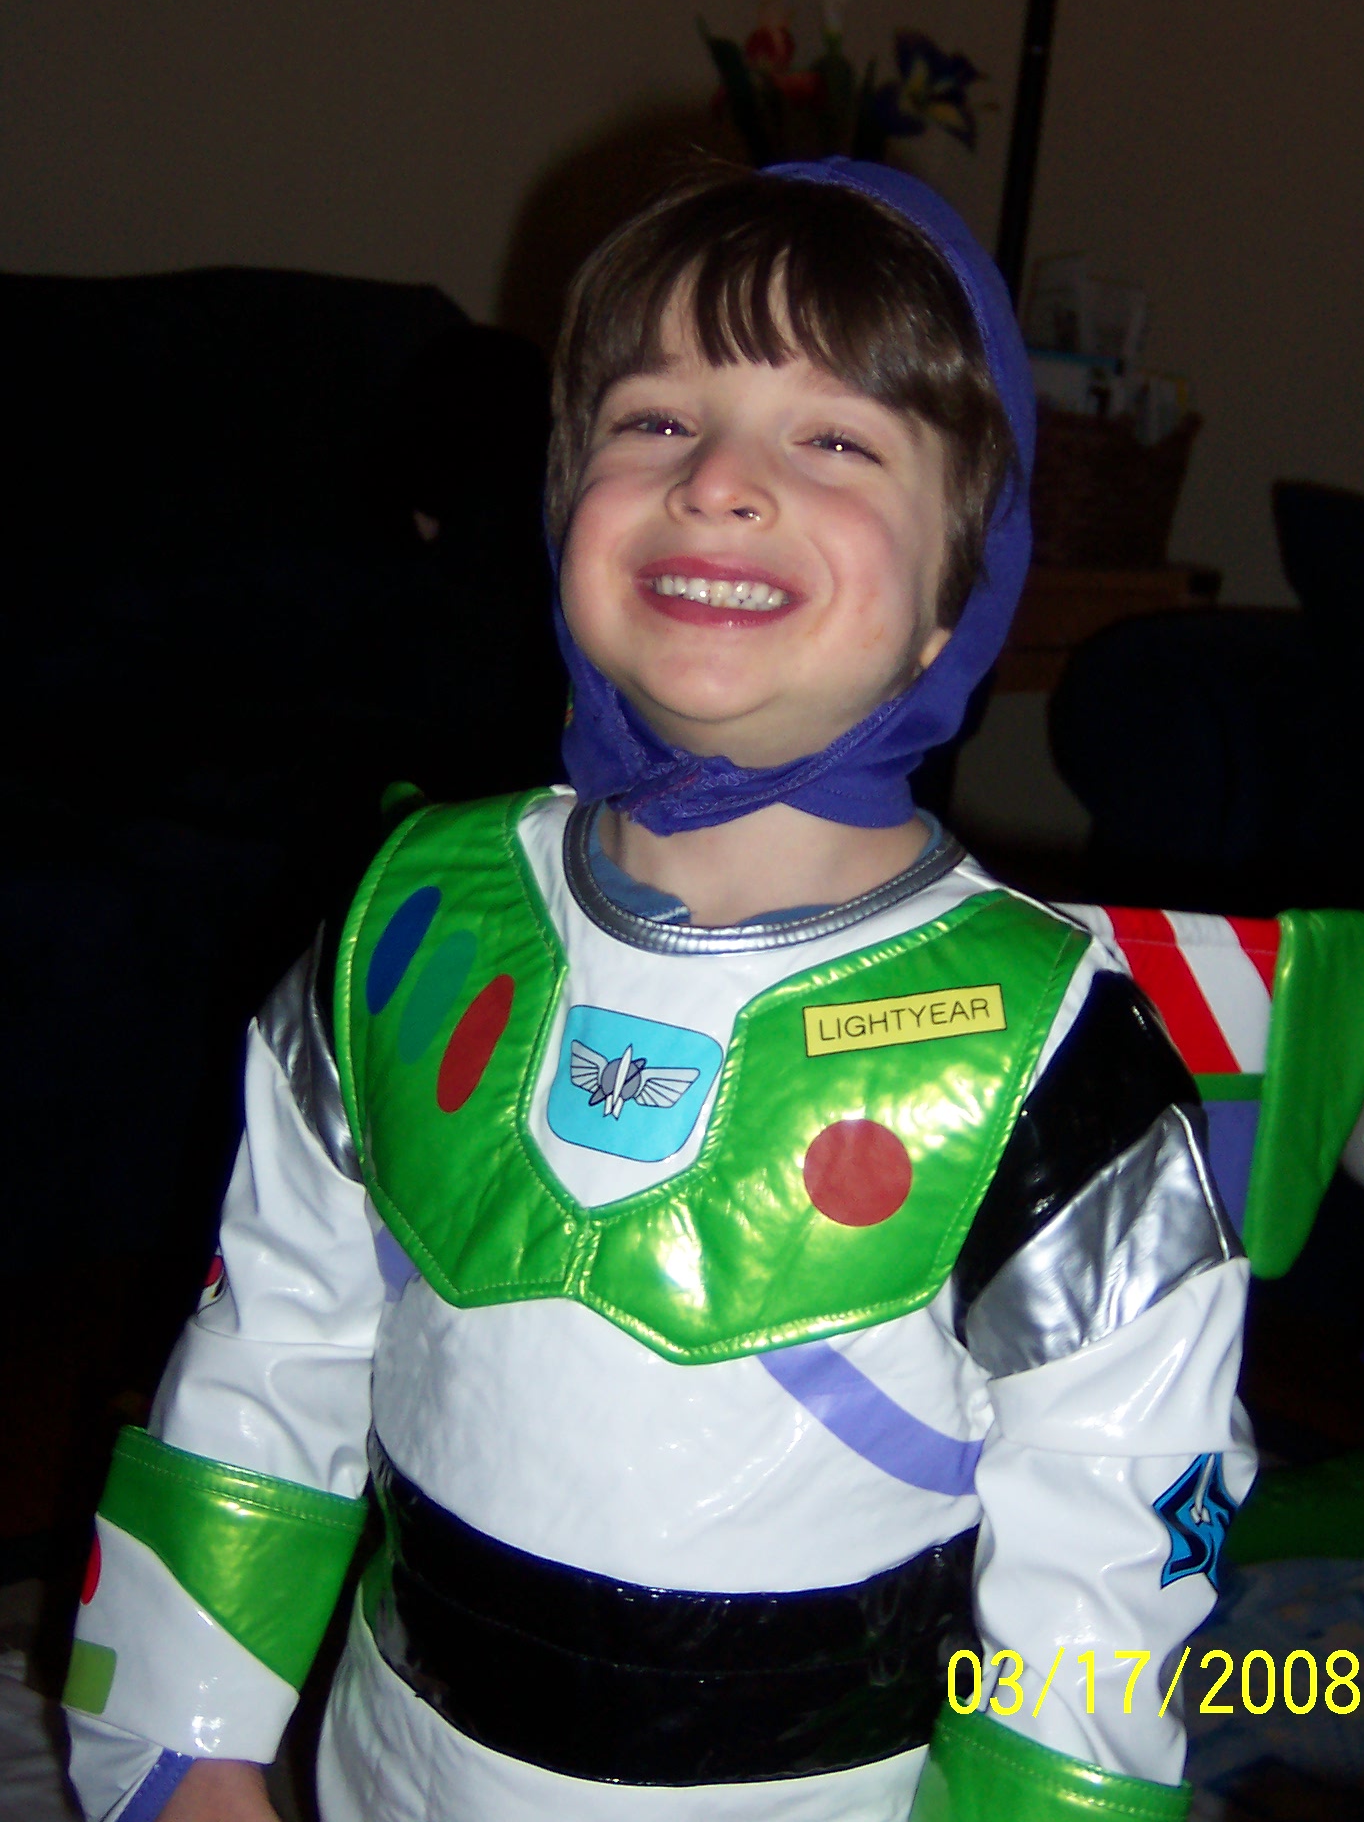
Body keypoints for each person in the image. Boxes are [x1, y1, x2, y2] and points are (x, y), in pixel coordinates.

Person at [64, 159, 1255, 1822]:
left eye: (834, 441)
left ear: (956, 594)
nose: (720, 483)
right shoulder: (413, 931)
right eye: (656, 421)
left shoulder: (1046, 1052)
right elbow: (267, 1348)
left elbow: (1114, 1546)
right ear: (567, 507)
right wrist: (183, 1745)